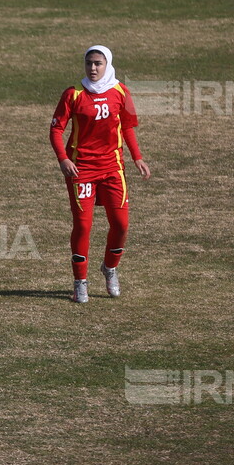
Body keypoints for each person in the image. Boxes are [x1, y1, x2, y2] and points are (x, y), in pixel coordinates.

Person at [48, 45, 150, 304]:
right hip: (81, 169)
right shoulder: (73, 94)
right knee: (83, 226)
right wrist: (63, 159)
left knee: (121, 224)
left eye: (98, 64)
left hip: (113, 168)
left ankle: (110, 268)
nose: (92, 68)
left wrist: (137, 157)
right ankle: (80, 283)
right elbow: (56, 130)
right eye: (89, 63)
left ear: (108, 65)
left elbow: (126, 127)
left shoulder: (120, 91)